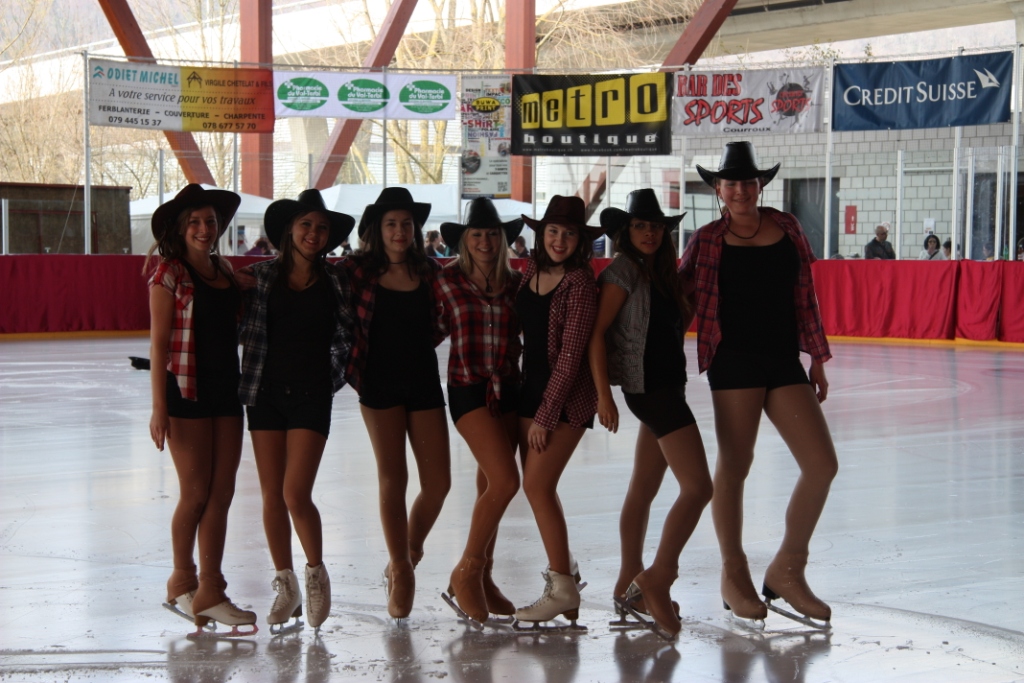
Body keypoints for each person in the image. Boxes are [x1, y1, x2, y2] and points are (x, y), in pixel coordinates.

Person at [682, 141, 837, 627]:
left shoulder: (787, 227)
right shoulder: (706, 239)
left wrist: (817, 357)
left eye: (748, 182)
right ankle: (733, 571)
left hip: (782, 359)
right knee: (735, 465)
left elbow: (804, 295)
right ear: (718, 189)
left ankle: (788, 568)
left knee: (822, 465)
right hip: (733, 362)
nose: (740, 190)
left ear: (760, 185)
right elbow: (679, 296)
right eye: (731, 183)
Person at [589, 188, 711, 638]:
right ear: (626, 232)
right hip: (650, 390)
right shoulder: (621, 271)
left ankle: (628, 581)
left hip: (667, 385)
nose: (649, 233)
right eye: (641, 225)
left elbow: (672, 325)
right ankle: (659, 577)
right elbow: (597, 334)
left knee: (643, 488)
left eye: (656, 226)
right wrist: (603, 396)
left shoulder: (662, 274)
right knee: (699, 487)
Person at [237, 189, 356, 635]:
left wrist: (333, 377)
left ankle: (315, 574)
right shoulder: (259, 277)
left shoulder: (337, 280)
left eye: (321, 228)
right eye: (306, 224)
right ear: (290, 229)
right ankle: (286, 586)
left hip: (311, 395)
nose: (313, 233)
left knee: (295, 493)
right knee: (272, 494)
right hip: (264, 392)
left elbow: (349, 334)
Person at [146, 184, 257, 635]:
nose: (204, 228)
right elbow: (158, 346)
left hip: (226, 392)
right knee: (195, 493)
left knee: (222, 493)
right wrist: (158, 408)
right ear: (180, 228)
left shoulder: (225, 270)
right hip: (185, 393)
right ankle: (181, 579)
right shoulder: (169, 274)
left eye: (210, 221)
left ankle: (210, 588)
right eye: (194, 222)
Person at [342, 187, 450, 619]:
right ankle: (401, 570)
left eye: (407, 224)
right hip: (378, 384)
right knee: (394, 478)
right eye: (391, 224)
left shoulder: (431, 271)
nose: (400, 231)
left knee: (438, 483)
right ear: (377, 230)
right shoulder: (356, 271)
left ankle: (409, 553)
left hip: (423, 382)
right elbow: (300, 271)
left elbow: (447, 317)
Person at [512, 196, 600, 626]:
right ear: (541, 234)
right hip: (529, 389)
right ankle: (566, 571)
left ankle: (562, 586)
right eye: (553, 231)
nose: (559, 240)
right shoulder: (531, 270)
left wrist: (546, 416)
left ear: (580, 240)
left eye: (569, 233)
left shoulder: (580, 283)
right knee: (538, 488)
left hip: (566, 400)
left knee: (537, 485)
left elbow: (570, 357)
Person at [435, 197, 524, 625]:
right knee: (506, 481)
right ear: (464, 240)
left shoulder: (517, 283)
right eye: (477, 234)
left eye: (492, 234)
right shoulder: (445, 280)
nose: (485, 241)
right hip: (469, 389)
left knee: (489, 483)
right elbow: (422, 330)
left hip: (510, 388)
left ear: (503, 239)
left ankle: (484, 577)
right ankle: (467, 570)